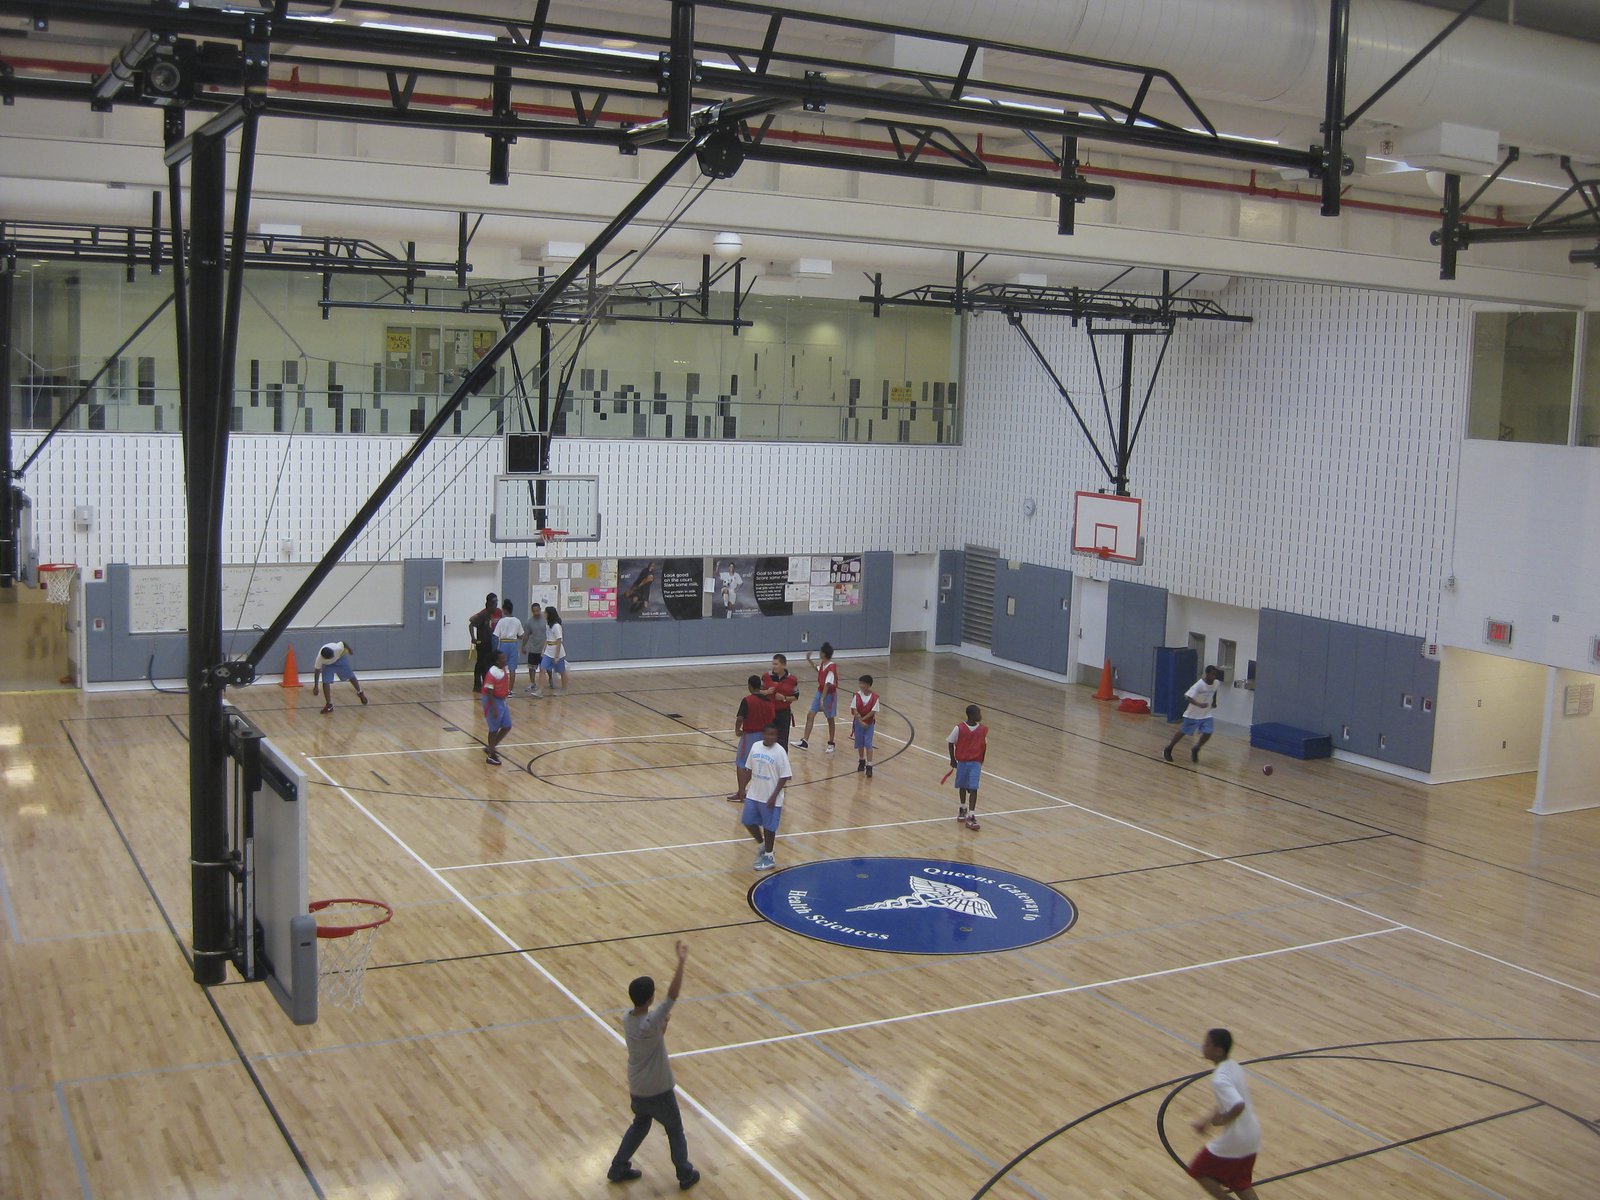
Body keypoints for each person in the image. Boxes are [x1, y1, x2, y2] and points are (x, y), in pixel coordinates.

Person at [607, 940, 699, 1191]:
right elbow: (673, 995)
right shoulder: (650, 1022)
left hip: (637, 1088)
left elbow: (654, 1035)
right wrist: (680, 962)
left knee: (640, 1124)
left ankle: (618, 1166)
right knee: (675, 1129)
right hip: (659, 1090)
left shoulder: (627, 1019)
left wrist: (663, 1024)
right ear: (650, 998)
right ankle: (684, 1173)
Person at [1188, 1028, 1261, 1200]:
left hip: (1237, 1138)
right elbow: (1226, 1101)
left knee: (1198, 1170)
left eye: (1207, 1044)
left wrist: (1222, 1120)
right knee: (1240, 1182)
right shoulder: (1233, 1066)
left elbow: (1237, 1105)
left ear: (1218, 1051)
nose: (1202, 1046)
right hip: (1252, 1135)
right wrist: (1205, 1121)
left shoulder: (1219, 1079)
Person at [741, 723, 792, 871]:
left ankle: (769, 856)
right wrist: (742, 788)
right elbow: (748, 768)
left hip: (770, 797)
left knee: (769, 828)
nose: (771, 737)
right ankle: (763, 845)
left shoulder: (780, 751)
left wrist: (774, 795)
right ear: (764, 734)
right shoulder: (756, 746)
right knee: (748, 821)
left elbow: (785, 776)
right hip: (754, 793)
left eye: (774, 735)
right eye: (769, 734)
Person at [729, 674, 778, 801]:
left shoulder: (747, 700)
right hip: (763, 737)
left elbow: (740, 718)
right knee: (754, 764)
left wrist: (737, 729)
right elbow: (772, 718)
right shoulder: (768, 702)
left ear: (750, 686)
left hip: (749, 735)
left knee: (741, 763)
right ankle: (747, 792)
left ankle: (741, 793)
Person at [1165, 665, 1223, 763]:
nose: (1214, 677)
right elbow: (1187, 697)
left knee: (1208, 732)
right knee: (1182, 732)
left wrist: (1214, 701)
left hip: (1206, 714)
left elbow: (1215, 690)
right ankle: (1169, 748)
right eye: (1212, 675)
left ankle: (1196, 748)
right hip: (1193, 714)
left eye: (1215, 675)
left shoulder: (1216, 683)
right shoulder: (1199, 685)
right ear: (1207, 674)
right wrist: (1198, 704)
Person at [947, 704, 987, 831]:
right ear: (972, 715)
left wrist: (981, 761)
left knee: (974, 788)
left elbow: (984, 746)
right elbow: (950, 742)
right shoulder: (959, 728)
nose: (980, 716)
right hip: (963, 762)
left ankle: (971, 814)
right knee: (963, 786)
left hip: (975, 763)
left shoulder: (982, 730)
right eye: (978, 713)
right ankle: (963, 807)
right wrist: (953, 759)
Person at [794, 642, 838, 752]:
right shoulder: (823, 664)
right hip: (820, 692)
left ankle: (831, 743)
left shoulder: (831, 667)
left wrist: (822, 700)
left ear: (823, 653)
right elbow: (817, 669)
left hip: (829, 695)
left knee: (830, 718)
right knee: (810, 715)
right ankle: (805, 741)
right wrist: (809, 660)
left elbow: (827, 685)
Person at [315, 640, 368, 714]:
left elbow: (343, 642)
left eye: (333, 655)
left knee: (350, 676)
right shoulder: (319, 659)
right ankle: (329, 705)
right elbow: (317, 671)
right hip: (328, 665)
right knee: (325, 682)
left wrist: (350, 650)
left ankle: (360, 692)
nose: (333, 656)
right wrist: (316, 686)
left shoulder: (337, 648)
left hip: (340, 658)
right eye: (331, 657)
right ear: (326, 658)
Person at [761, 653, 800, 749]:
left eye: (776, 664)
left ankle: (782, 762)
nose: (773, 666)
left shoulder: (792, 679)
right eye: (773, 664)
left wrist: (784, 698)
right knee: (768, 739)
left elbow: (796, 696)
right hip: (769, 712)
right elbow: (758, 691)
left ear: (783, 665)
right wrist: (766, 692)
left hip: (784, 713)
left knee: (783, 741)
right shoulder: (766, 677)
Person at [481, 649, 513, 767]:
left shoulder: (503, 669)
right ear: (497, 661)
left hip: (501, 700)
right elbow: (489, 691)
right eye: (502, 658)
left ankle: (491, 747)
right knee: (493, 729)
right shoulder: (492, 672)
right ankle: (491, 755)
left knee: (507, 726)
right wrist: (493, 708)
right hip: (492, 700)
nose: (505, 659)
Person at [468, 592, 501, 695]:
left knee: (487, 665)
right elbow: (471, 624)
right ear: (490, 604)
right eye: (495, 604)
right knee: (481, 664)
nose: (496, 606)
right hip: (481, 643)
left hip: (489, 643)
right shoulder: (483, 614)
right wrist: (473, 638)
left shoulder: (491, 614)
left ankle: (485, 685)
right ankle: (477, 685)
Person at [492, 598, 526, 691]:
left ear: (505, 610)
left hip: (503, 644)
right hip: (513, 645)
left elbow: (495, 635)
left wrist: (494, 649)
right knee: (512, 669)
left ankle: (501, 688)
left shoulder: (501, 621)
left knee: (501, 667)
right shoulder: (517, 621)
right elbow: (522, 635)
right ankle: (510, 690)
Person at [850, 674, 879, 779]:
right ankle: (861, 760)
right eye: (860, 683)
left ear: (868, 685)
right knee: (860, 742)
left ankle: (870, 765)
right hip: (859, 723)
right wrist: (859, 719)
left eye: (862, 683)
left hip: (869, 723)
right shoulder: (857, 695)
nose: (860, 685)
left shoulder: (875, 697)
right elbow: (854, 708)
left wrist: (864, 719)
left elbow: (873, 711)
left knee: (868, 743)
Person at [539, 605, 569, 696]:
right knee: (542, 668)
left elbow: (559, 640)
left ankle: (564, 689)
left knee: (561, 670)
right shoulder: (548, 625)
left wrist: (556, 655)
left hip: (557, 651)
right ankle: (540, 690)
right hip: (548, 650)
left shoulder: (556, 626)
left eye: (545, 613)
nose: (544, 614)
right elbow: (547, 638)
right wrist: (543, 650)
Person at [523, 603, 549, 696]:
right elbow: (526, 635)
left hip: (545, 649)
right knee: (531, 667)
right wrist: (523, 646)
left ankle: (550, 681)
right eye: (534, 611)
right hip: (533, 648)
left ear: (540, 609)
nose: (536, 613)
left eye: (537, 611)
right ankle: (532, 683)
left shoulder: (546, 621)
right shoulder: (529, 622)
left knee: (546, 667)